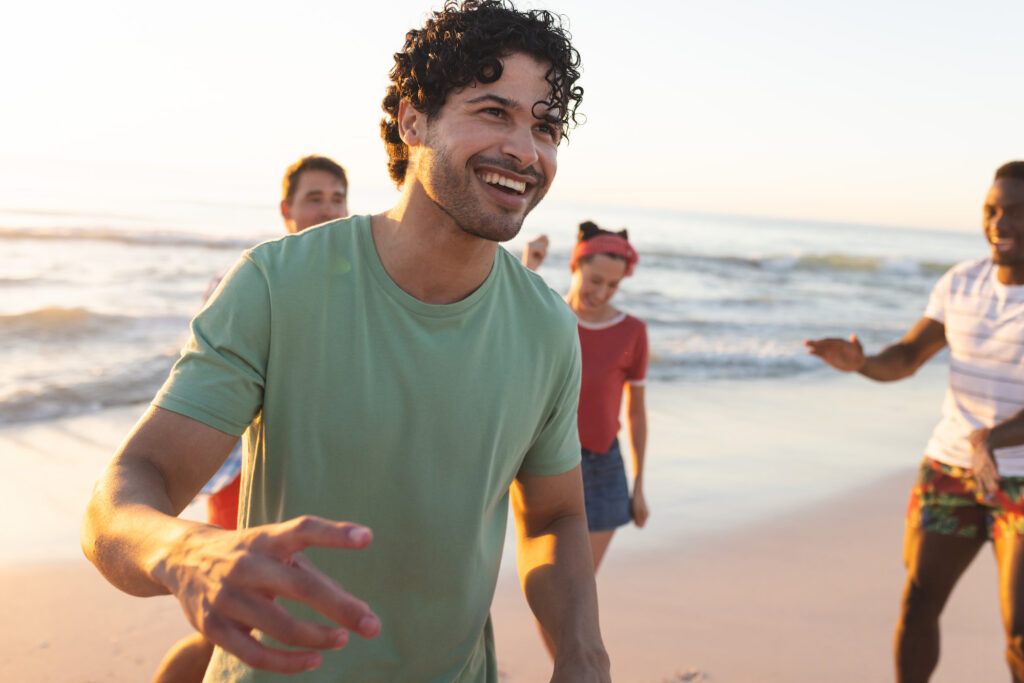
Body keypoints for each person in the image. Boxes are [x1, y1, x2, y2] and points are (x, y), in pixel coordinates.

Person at [81, 2, 611, 681]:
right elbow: (118, 501)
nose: (525, 149)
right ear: (412, 119)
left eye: (545, 125)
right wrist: (186, 552)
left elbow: (556, 515)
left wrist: (582, 652)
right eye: (493, 111)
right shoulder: (275, 284)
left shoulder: (545, 324)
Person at [804, 160, 1024, 682]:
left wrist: (990, 439)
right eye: (991, 210)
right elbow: (905, 356)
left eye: (1015, 212)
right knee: (918, 603)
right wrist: (863, 364)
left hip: (1017, 476)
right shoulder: (962, 283)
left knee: (1019, 629)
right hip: (950, 468)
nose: (999, 222)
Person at [152, 154, 350, 683]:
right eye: (315, 199)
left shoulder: (354, 281)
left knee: (291, 613)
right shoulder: (251, 278)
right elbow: (209, 382)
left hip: (316, 472)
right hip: (245, 473)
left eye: (337, 198)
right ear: (287, 211)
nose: (329, 210)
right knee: (233, 624)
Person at [522, 222, 649, 654]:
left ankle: (570, 670)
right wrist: (528, 267)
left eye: (613, 285)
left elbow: (634, 411)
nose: (603, 291)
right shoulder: (548, 315)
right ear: (576, 265)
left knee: (575, 594)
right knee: (552, 593)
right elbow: (510, 335)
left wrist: (640, 485)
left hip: (604, 469)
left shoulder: (633, 332)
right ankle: (572, 669)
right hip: (544, 466)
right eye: (596, 280)